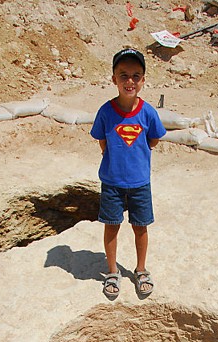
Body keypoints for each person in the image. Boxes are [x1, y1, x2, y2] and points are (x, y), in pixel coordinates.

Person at [90, 48, 166, 299]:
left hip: (140, 182)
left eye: (136, 75)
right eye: (123, 75)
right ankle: (112, 272)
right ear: (113, 79)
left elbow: (153, 139)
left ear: (143, 80)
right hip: (111, 182)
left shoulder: (148, 112)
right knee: (112, 226)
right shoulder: (105, 111)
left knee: (140, 227)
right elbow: (102, 141)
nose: (129, 81)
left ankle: (141, 270)